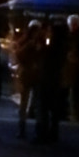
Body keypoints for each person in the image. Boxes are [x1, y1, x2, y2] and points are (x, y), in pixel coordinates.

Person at [33, 15, 68, 143]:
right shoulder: (61, 48)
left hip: (46, 79)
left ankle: (41, 133)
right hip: (55, 80)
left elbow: (41, 56)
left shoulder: (50, 49)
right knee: (53, 109)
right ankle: (53, 133)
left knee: (43, 107)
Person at [15, 20, 44, 139]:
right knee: (24, 102)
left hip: (35, 75)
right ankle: (22, 128)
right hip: (27, 74)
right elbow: (19, 54)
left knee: (36, 102)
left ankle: (36, 128)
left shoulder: (41, 43)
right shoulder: (26, 42)